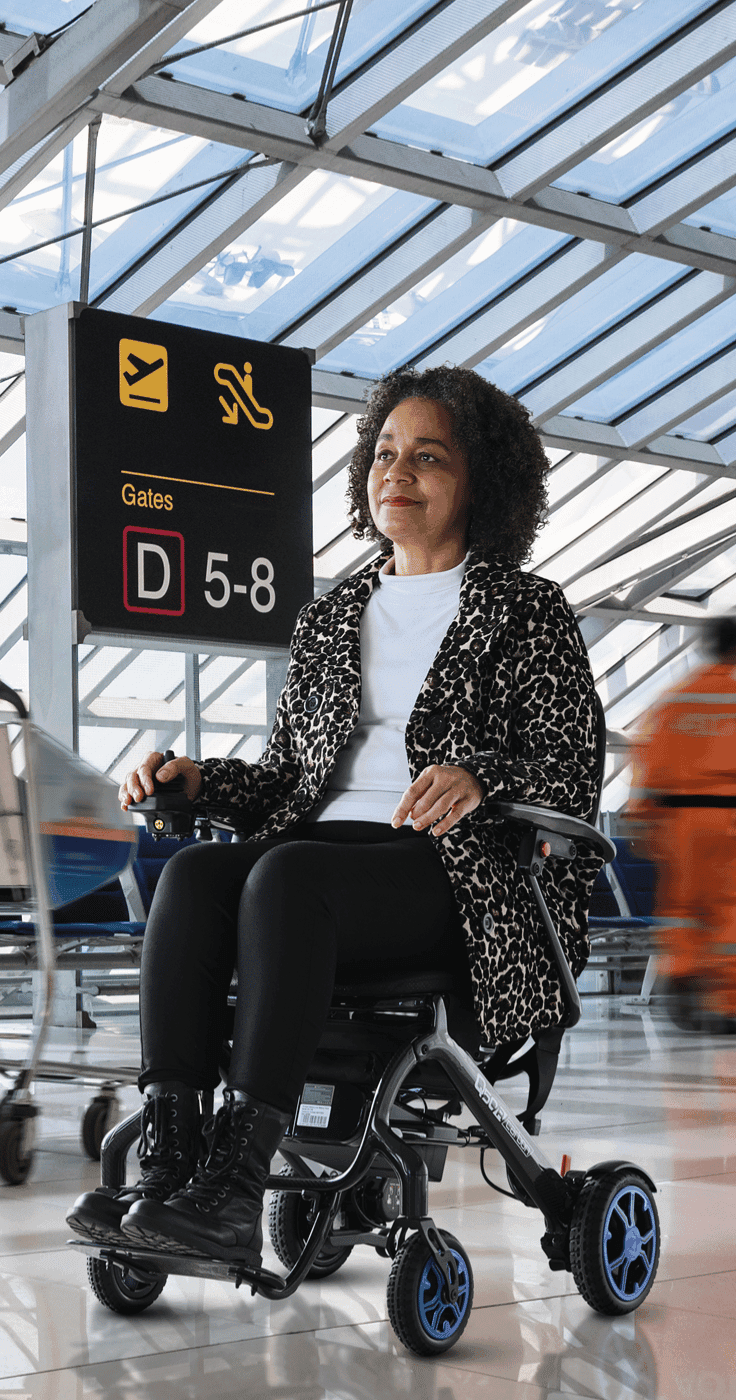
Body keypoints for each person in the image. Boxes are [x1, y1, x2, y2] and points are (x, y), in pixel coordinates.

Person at [67, 365, 602, 1266]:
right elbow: (288, 780)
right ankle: (171, 1162)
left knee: (289, 873)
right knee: (197, 873)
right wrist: (199, 785)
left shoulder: (525, 609)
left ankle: (238, 1188)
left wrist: (478, 773)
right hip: (320, 862)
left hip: (455, 876)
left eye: (428, 457)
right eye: (385, 453)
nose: (397, 471)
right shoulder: (331, 616)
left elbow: (569, 769)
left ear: (482, 481)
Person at [627, 616, 736, 1032]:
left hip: (679, 823)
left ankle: (682, 971)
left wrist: (642, 818)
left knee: (681, 906)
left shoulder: (675, 700)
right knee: (729, 909)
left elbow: (648, 758)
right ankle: (727, 1001)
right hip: (728, 820)